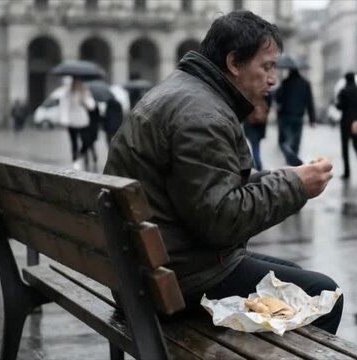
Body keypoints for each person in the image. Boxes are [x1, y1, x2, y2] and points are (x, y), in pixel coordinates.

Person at [104, 10, 342, 334]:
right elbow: (220, 220)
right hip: (176, 285)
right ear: (234, 63)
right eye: (267, 66)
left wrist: (281, 177)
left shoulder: (185, 92)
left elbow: (206, 187)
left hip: (151, 271)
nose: (273, 79)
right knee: (322, 293)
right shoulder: (202, 114)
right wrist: (294, 186)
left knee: (291, 277)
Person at [275, 68, 316, 166]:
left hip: (285, 115)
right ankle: (293, 158)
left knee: (284, 141)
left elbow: (278, 97)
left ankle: (290, 155)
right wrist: (312, 119)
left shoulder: (285, 82)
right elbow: (309, 102)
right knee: (296, 140)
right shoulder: (305, 83)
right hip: (298, 116)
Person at [336, 72, 357, 181]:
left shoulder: (343, 91)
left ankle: (347, 172)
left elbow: (340, 106)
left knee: (345, 149)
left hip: (346, 122)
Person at [59, 77, 95, 170]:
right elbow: (64, 107)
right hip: (71, 121)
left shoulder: (85, 92)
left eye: (79, 83)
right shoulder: (68, 93)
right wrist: (65, 120)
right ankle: (75, 160)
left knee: (87, 141)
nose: (78, 85)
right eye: (76, 83)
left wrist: (85, 99)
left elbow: (91, 106)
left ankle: (80, 155)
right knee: (74, 142)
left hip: (83, 120)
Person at [243, 93, 271, 171]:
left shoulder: (249, 99)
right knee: (256, 147)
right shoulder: (264, 99)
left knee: (255, 148)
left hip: (251, 128)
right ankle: (257, 166)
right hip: (259, 128)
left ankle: (258, 166)